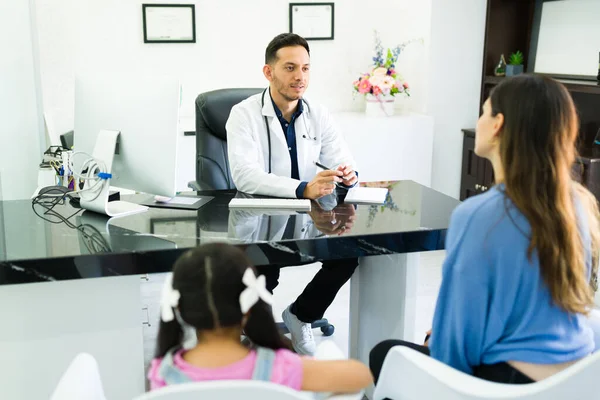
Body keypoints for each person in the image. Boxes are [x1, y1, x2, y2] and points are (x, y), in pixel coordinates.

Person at [370, 74, 600, 384]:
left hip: (507, 383)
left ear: (498, 124)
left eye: (484, 111)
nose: (479, 120)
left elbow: (456, 348)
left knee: (384, 353)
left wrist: (436, 341)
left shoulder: (478, 215)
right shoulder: (579, 205)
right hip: (576, 377)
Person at [226, 33, 360, 355]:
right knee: (262, 274)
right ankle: (253, 328)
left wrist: (347, 175)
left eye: (306, 68)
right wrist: (303, 188)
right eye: (290, 67)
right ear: (269, 72)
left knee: (347, 254)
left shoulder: (319, 114)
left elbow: (342, 158)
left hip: (308, 217)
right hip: (260, 220)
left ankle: (302, 316)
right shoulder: (243, 115)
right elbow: (244, 175)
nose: (300, 77)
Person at [147, 243, 373, 394]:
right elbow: (361, 376)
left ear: (179, 308)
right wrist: (323, 356)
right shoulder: (280, 368)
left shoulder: (162, 375)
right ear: (249, 306)